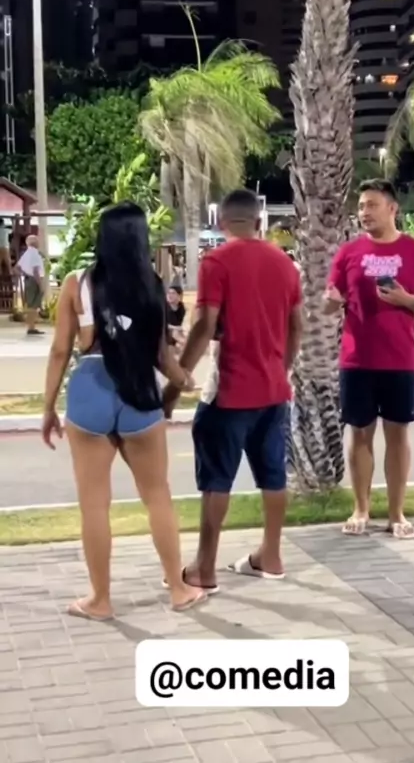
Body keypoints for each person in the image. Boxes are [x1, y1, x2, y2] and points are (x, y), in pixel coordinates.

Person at [41, 202, 206, 619]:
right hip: (139, 394)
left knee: (94, 505)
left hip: (89, 394)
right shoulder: (152, 284)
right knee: (157, 496)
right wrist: (186, 380)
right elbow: (162, 358)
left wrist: (48, 407)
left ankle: (100, 600)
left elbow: (61, 350)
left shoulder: (77, 283)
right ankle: (179, 590)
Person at [162, 188, 302, 591]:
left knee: (216, 479)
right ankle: (271, 556)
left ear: (221, 222)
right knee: (273, 475)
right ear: (259, 222)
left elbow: (205, 324)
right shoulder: (285, 264)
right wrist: (281, 369)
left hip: (230, 391)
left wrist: (176, 384)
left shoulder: (217, 261)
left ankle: (204, 569)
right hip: (274, 392)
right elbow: (297, 325)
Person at [324, 179, 414, 539]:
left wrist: (407, 300)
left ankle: (396, 514)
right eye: (361, 206)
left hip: (399, 360)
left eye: (372, 205)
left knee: (397, 434)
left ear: (392, 208)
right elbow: (329, 301)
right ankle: (361, 509)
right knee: (360, 434)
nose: (364, 212)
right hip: (356, 360)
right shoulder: (348, 252)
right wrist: (330, 301)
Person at [16, 235, 45, 335]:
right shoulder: (34, 254)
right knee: (33, 305)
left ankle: (31, 327)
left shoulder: (26, 254)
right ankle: (31, 327)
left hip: (28, 280)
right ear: (35, 243)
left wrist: (25, 274)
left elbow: (17, 268)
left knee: (30, 305)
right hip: (34, 280)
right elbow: (35, 270)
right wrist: (40, 284)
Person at [166, 286, 186, 352]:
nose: (170, 295)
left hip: (175, 332)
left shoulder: (181, 307)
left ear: (179, 296)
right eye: (168, 293)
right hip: (165, 332)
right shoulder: (164, 307)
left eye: (173, 293)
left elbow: (178, 324)